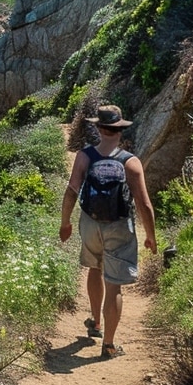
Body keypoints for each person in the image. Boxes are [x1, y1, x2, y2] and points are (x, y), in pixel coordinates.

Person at [59, 104, 157, 359]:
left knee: (95, 268)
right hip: (119, 226)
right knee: (114, 286)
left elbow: (71, 190)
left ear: (99, 128)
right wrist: (150, 235)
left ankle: (96, 322)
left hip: (90, 223)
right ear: (120, 131)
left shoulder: (85, 156)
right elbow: (144, 204)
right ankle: (109, 345)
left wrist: (65, 222)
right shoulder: (130, 162)